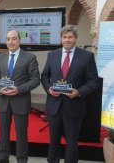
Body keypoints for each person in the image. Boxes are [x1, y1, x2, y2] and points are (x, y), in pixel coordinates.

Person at [41, 25, 99, 163]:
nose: (67, 40)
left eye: (70, 37)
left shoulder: (87, 56)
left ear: (75, 38)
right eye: (64, 37)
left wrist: (79, 92)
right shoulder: (52, 55)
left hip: (74, 107)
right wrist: (49, 89)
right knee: (54, 141)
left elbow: (93, 81)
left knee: (72, 143)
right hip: (54, 106)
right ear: (61, 39)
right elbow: (44, 76)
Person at [0, 30, 40, 163]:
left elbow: (36, 79)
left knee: (21, 133)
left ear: (19, 40)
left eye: (13, 39)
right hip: (3, 101)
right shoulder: (0, 57)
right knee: (3, 133)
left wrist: (18, 89)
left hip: (21, 101)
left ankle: (22, 159)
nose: (10, 42)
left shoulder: (30, 57)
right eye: (8, 39)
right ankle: (3, 157)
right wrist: (0, 89)